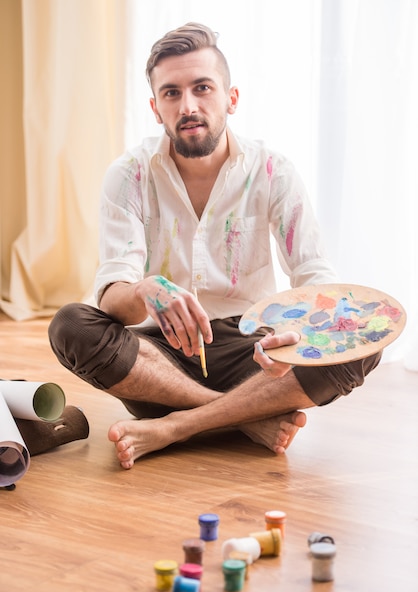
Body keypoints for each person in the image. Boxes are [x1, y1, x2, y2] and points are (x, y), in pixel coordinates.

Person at [48, 22, 381, 469]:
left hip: (257, 355)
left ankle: (178, 426)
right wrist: (145, 289)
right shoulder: (128, 175)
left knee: (367, 335)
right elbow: (113, 302)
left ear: (231, 98)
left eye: (202, 88)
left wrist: (297, 335)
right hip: (163, 364)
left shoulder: (273, 171)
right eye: (171, 93)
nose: (188, 106)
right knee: (70, 325)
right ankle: (243, 420)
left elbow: (314, 272)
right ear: (154, 107)